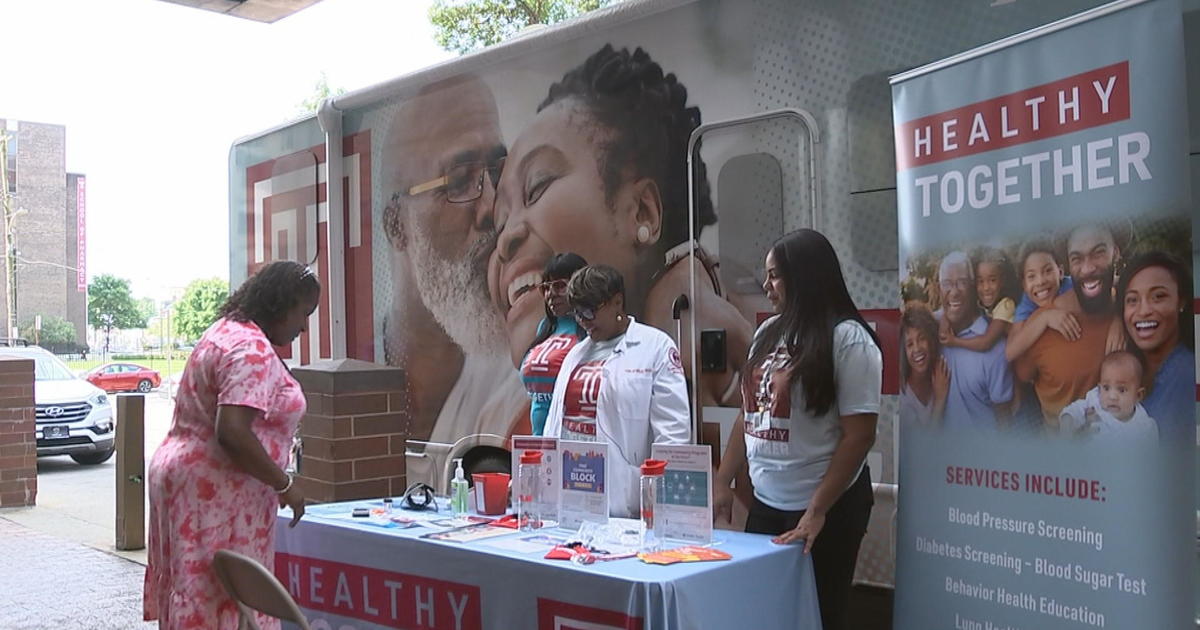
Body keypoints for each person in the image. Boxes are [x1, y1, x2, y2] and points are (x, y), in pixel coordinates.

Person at [488, 44, 752, 409]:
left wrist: (684, 284)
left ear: (642, 212)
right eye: (497, 222)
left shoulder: (680, 335)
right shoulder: (546, 352)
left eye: (538, 186)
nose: (504, 240)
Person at [713, 229, 881, 630]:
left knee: (818, 615)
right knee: (767, 613)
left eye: (775, 276)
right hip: (768, 503)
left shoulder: (848, 339)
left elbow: (859, 435)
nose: (766, 285)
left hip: (825, 509)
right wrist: (722, 480)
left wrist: (817, 510)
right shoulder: (766, 333)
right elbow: (748, 414)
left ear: (803, 276)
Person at [144, 261, 319, 629]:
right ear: (280, 303)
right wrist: (284, 484)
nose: (303, 326)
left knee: (194, 590)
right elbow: (234, 431)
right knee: (220, 600)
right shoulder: (250, 350)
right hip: (216, 491)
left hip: (187, 480)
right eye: (303, 313)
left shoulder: (224, 332)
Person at [381, 74, 526, 443]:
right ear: (397, 225)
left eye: (498, 171)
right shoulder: (363, 364)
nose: (492, 208)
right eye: (460, 180)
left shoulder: (519, 382)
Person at [543, 265, 690, 517]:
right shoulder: (577, 354)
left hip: (622, 498)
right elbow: (554, 425)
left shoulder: (655, 347)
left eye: (589, 311)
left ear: (617, 302)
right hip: (571, 490)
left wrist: (659, 500)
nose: (584, 321)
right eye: (577, 314)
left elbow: (673, 434)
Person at [1015, 224, 1123, 428]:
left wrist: (1121, 316)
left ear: (1115, 253)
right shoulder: (1039, 327)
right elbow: (1022, 373)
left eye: (1098, 253)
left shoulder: (1133, 312)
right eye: (1077, 258)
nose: (1088, 268)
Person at [1117, 251, 1195, 443]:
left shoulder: (1188, 374)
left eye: (1158, 296)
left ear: (1181, 301)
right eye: (1132, 300)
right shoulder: (1123, 364)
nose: (1143, 311)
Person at [935, 251, 1014, 430]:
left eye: (962, 283)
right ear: (939, 288)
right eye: (947, 283)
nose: (954, 292)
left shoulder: (996, 348)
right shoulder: (929, 331)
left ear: (973, 287)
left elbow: (1004, 421)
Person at [521, 252, 588, 435]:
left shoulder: (590, 328)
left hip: (574, 438)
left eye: (560, 286)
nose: (551, 295)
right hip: (539, 437)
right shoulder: (545, 327)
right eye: (546, 288)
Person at [1059, 350, 1157, 443]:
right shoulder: (1095, 401)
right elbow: (1075, 410)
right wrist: (1068, 423)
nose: (1112, 397)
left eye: (1121, 390)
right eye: (1106, 388)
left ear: (1138, 395)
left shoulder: (1143, 427)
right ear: (1099, 387)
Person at [940, 247, 1017, 353]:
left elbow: (986, 342)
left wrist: (955, 342)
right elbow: (951, 308)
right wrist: (944, 321)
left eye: (992, 280)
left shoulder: (1006, 305)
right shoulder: (981, 303)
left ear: (1002, 281)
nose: (986, 287)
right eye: (980, 281)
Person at [899, 305, 949, 428]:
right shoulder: (904, 396)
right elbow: (926, 443)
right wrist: (940, 400)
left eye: (922, 338)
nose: (917, 349)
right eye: (910, 344)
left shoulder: (939, 371)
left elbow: (945, 313)